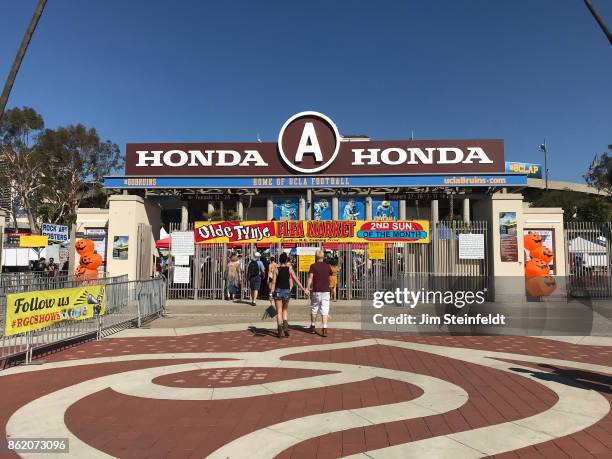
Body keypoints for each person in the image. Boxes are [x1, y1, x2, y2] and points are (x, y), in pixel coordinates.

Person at [269, 252, 307, 338]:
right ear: (286, 260)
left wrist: (271, 293)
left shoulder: (276, 269)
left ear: (279, 260)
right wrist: (303, 289)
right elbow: (296, 280)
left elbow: (273, 282)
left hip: (278, 291)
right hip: (286, 291)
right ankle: (285, 326)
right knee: (285, 309)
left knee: (279, 311)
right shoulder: (289, 269)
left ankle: (280, 331)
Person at [305, 250, 333, 336]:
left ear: (316, 257)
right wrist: (331, 288)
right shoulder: (328, 266)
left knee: (314, 308)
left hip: (316, 290)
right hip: (326, 290)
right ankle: (324, 328)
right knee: (325, 310)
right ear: (323, 257)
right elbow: (330, 279)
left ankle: (313, 326)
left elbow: (310, 278)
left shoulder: (313, 266)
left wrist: (307, 288)